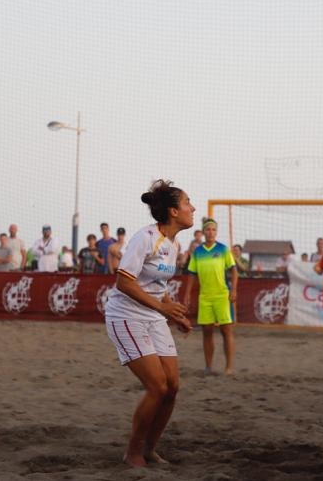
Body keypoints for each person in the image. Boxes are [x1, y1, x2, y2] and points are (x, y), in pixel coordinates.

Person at [103, 180, 193, 468]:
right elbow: (123, 281)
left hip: (152, 316)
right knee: (157, 386)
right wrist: (162, 308)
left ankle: (150, 448)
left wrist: (172, 312)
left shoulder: (173, 242)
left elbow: (157, 284)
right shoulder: (145, 237)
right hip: (126, 316)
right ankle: (133, 452)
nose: (193, 208)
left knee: (173, 387)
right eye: (187, 203)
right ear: (173, 212)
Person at [181, 218, 239, 375]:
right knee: (207, 332)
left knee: (226, 331)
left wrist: (233, 290)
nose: (210, 232)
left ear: (216, 232)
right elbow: (192, 274)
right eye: (208, 229)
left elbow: (234, 270)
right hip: (205, 297)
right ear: (203, 232)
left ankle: (228, 368)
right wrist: (187, 294)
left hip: (222, 295)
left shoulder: (223, 249)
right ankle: (208, 367)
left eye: (213, 229)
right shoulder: (198, 252)